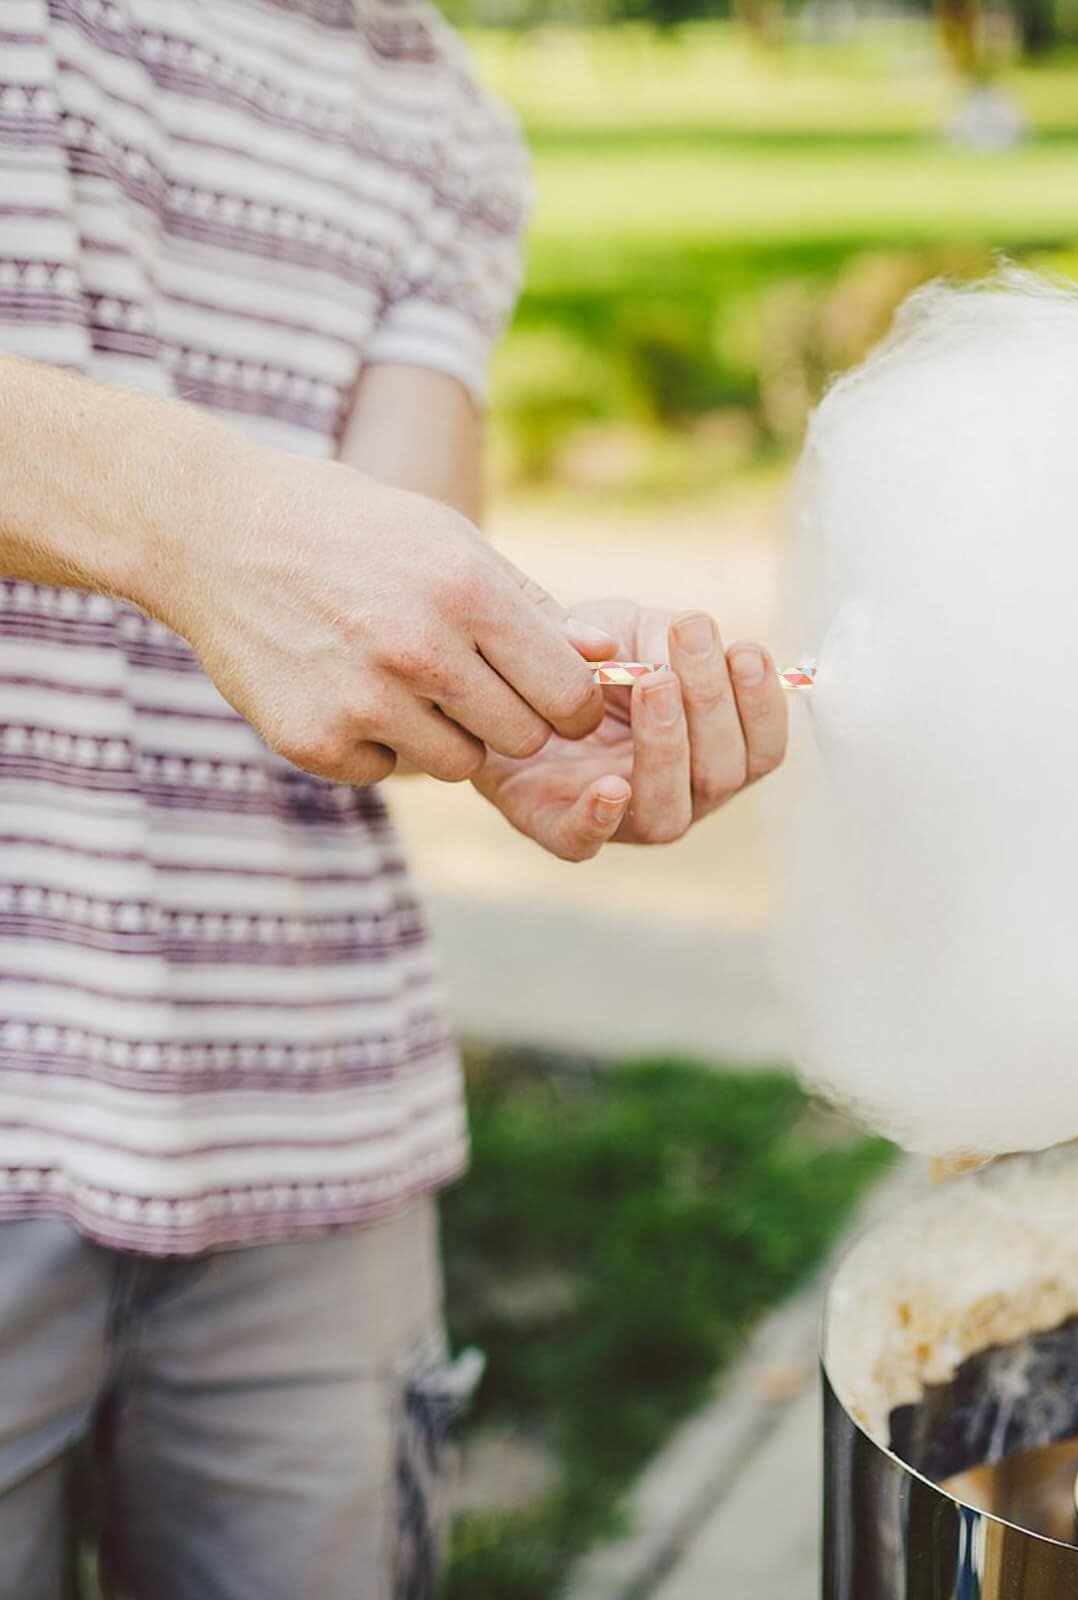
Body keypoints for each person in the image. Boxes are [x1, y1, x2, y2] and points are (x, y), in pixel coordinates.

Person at [0, 4, 787, 1596]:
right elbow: (243, 545)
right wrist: (192, 518)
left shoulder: (437, 112)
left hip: (304, 1100)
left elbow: (384, 571)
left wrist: (515, 709)